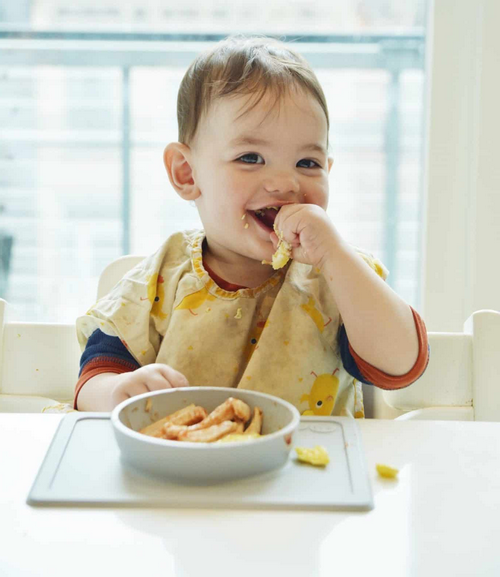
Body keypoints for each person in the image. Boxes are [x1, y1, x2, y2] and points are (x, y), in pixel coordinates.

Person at [75, 35, 429, 416]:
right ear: (187, 173)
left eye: (307, 163)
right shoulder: (163, 277)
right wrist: (116, 391)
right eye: (251, 157)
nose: (285, 183)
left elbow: (402, 365)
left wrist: (335, 257)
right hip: (184, 468)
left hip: (306, 469)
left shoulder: (336, 277)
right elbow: (95, 374)